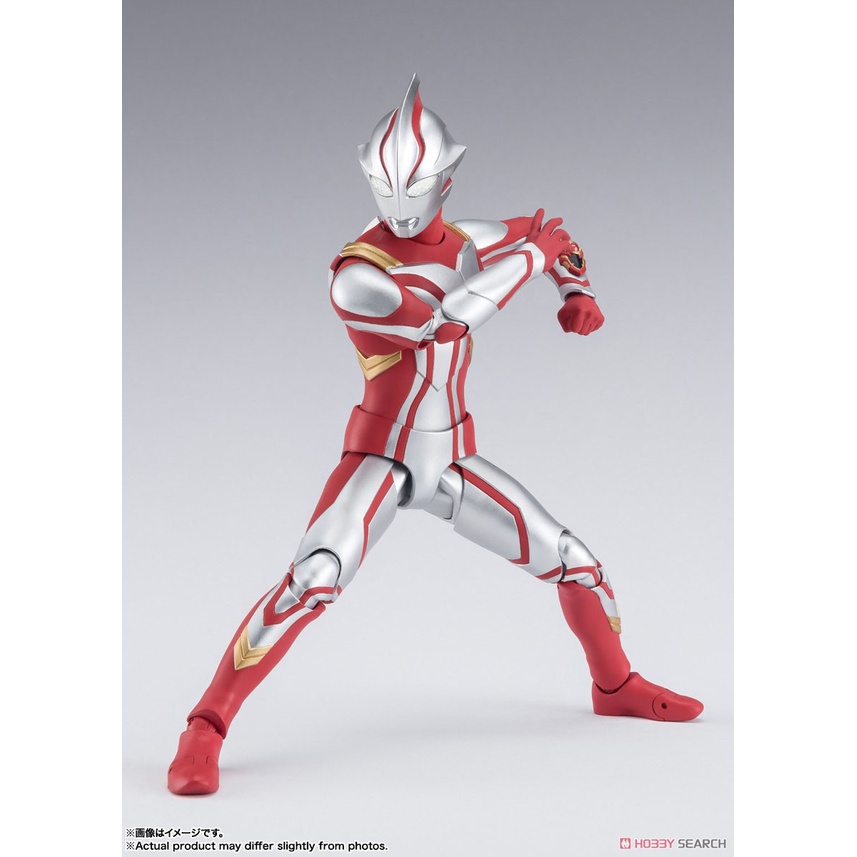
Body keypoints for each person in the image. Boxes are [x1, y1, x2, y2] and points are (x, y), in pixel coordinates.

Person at [167, 74, 702, 796]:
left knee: (577, 563)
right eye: (384, 187)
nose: (398, 204)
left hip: (451, 455)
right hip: (382, 456)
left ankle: (615, 686)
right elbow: (447, 319)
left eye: (413, 186)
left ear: (445, 179)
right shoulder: (357, 274)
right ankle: (205, 727)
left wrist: (576, 289)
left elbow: (556, 236)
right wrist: (535, 258)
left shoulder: (467, 239)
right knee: (312, 579)